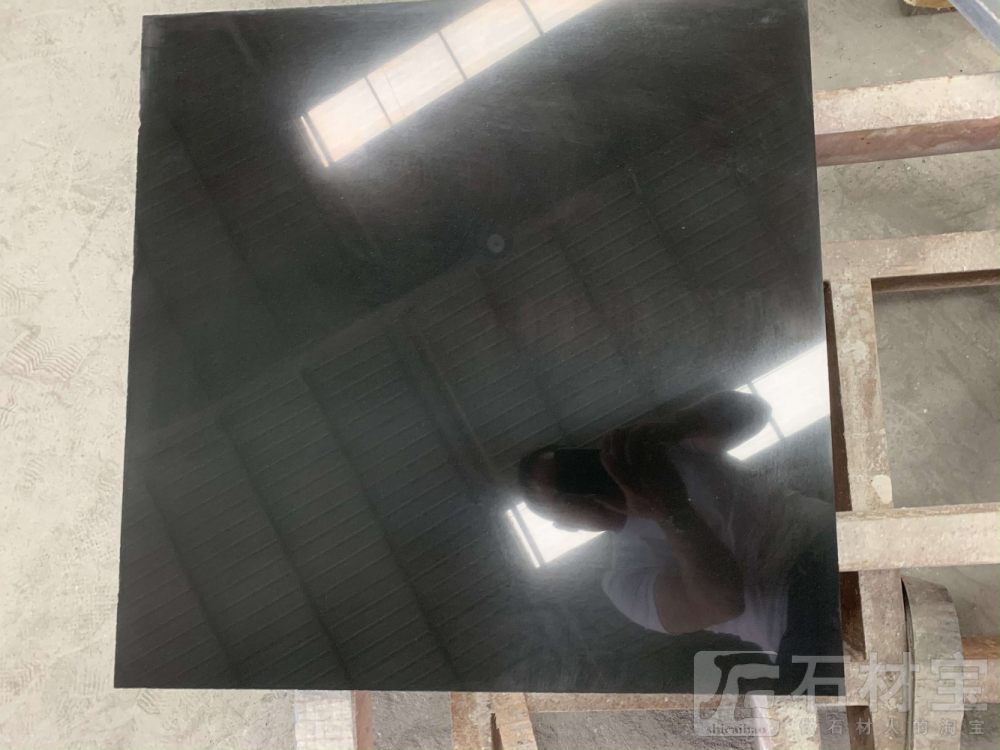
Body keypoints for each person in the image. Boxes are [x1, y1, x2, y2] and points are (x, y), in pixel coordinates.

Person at [518, 391, 841, 691]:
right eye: (563, 497)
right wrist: (669, 510)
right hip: (797, 617)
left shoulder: (669, 454)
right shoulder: (625, 580)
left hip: (827, 544)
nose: (581, 494)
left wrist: (677, 425)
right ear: (564, 525)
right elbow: (723, 601)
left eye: (570, 474)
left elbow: (756, 411)